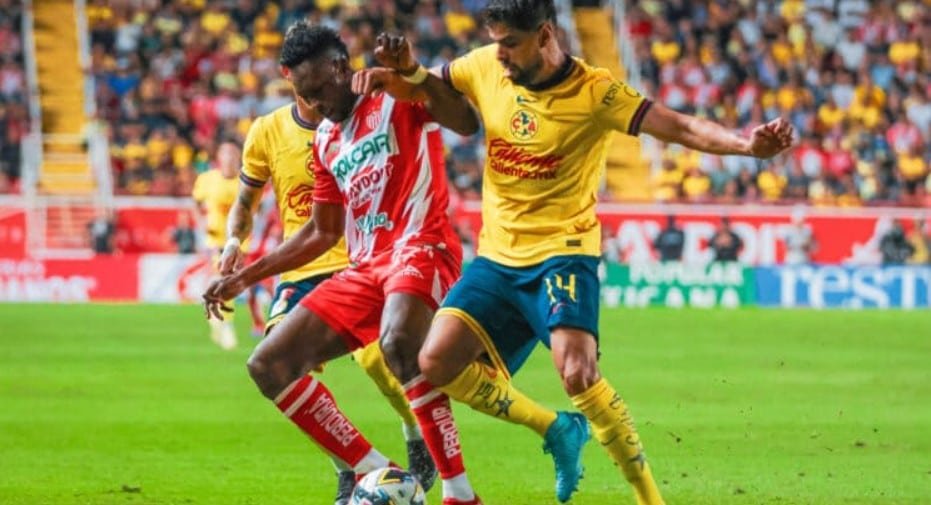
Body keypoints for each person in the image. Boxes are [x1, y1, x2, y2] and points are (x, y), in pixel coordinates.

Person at [355, 1, 793, 503]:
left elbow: (680, 126)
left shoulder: (595, 91)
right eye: (496, 42)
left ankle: (650, 498)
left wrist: (745, 146)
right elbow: (425, 86)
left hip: (563, 252)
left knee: (578, 373)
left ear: (545, 36)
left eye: (510, 43)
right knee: (434, 362)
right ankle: (559, 428)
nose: (500, 54)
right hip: (497, 258)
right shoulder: (482, 64)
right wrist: (393, 75)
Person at [203, 23, 484, 505]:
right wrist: (243, 277)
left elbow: (465, 122)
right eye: (303, 95)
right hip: (366, 267)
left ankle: (459, 493)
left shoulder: (394, 93)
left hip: (422, 245)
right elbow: (322, 231)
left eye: (318, 90)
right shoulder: (326, 139)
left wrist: (412, 73)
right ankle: (376, 471)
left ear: (339, 67)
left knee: (396, 344)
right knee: (268, 364)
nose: (313, 104)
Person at [217, 87, 437, 500]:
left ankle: (414, 430)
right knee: (278, 366)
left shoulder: (358, 123)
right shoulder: (267, 130)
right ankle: (350, 465)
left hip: (358, 260)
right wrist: (233, 242)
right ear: (291, 77)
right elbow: (245, 201)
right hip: (301, 271)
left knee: (377, 361)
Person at [192, 142, 242, 350]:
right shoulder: (207, 179)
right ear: (219, 157)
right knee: (226, 277)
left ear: (239, 158)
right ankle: (226, 323)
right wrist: (202, 225)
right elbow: (196, 203)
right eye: (225, 153)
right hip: (215, 238)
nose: (229, 158)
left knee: (230, 280)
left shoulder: (245, 181)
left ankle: (215, 312)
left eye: (233, 154)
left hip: (239, 239)